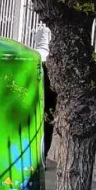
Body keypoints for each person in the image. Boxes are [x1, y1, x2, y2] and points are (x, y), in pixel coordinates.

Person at [34, 24, 56, 159]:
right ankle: (43, 156)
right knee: (47, 129)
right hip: (49, 102)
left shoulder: (32, 56)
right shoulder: (52, 60)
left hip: (33, 100)